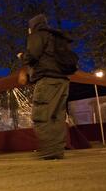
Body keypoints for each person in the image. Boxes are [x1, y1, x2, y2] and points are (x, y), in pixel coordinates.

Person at [17, 14, 72, 160]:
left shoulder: (38, 35)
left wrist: (22, 56)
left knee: (41, 116)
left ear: (32, 26)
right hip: (63, 81)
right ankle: (57, 150)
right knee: (57, 117)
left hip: (47, 81)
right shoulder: (57, 37)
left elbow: (31, 56)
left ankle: (49, 151)